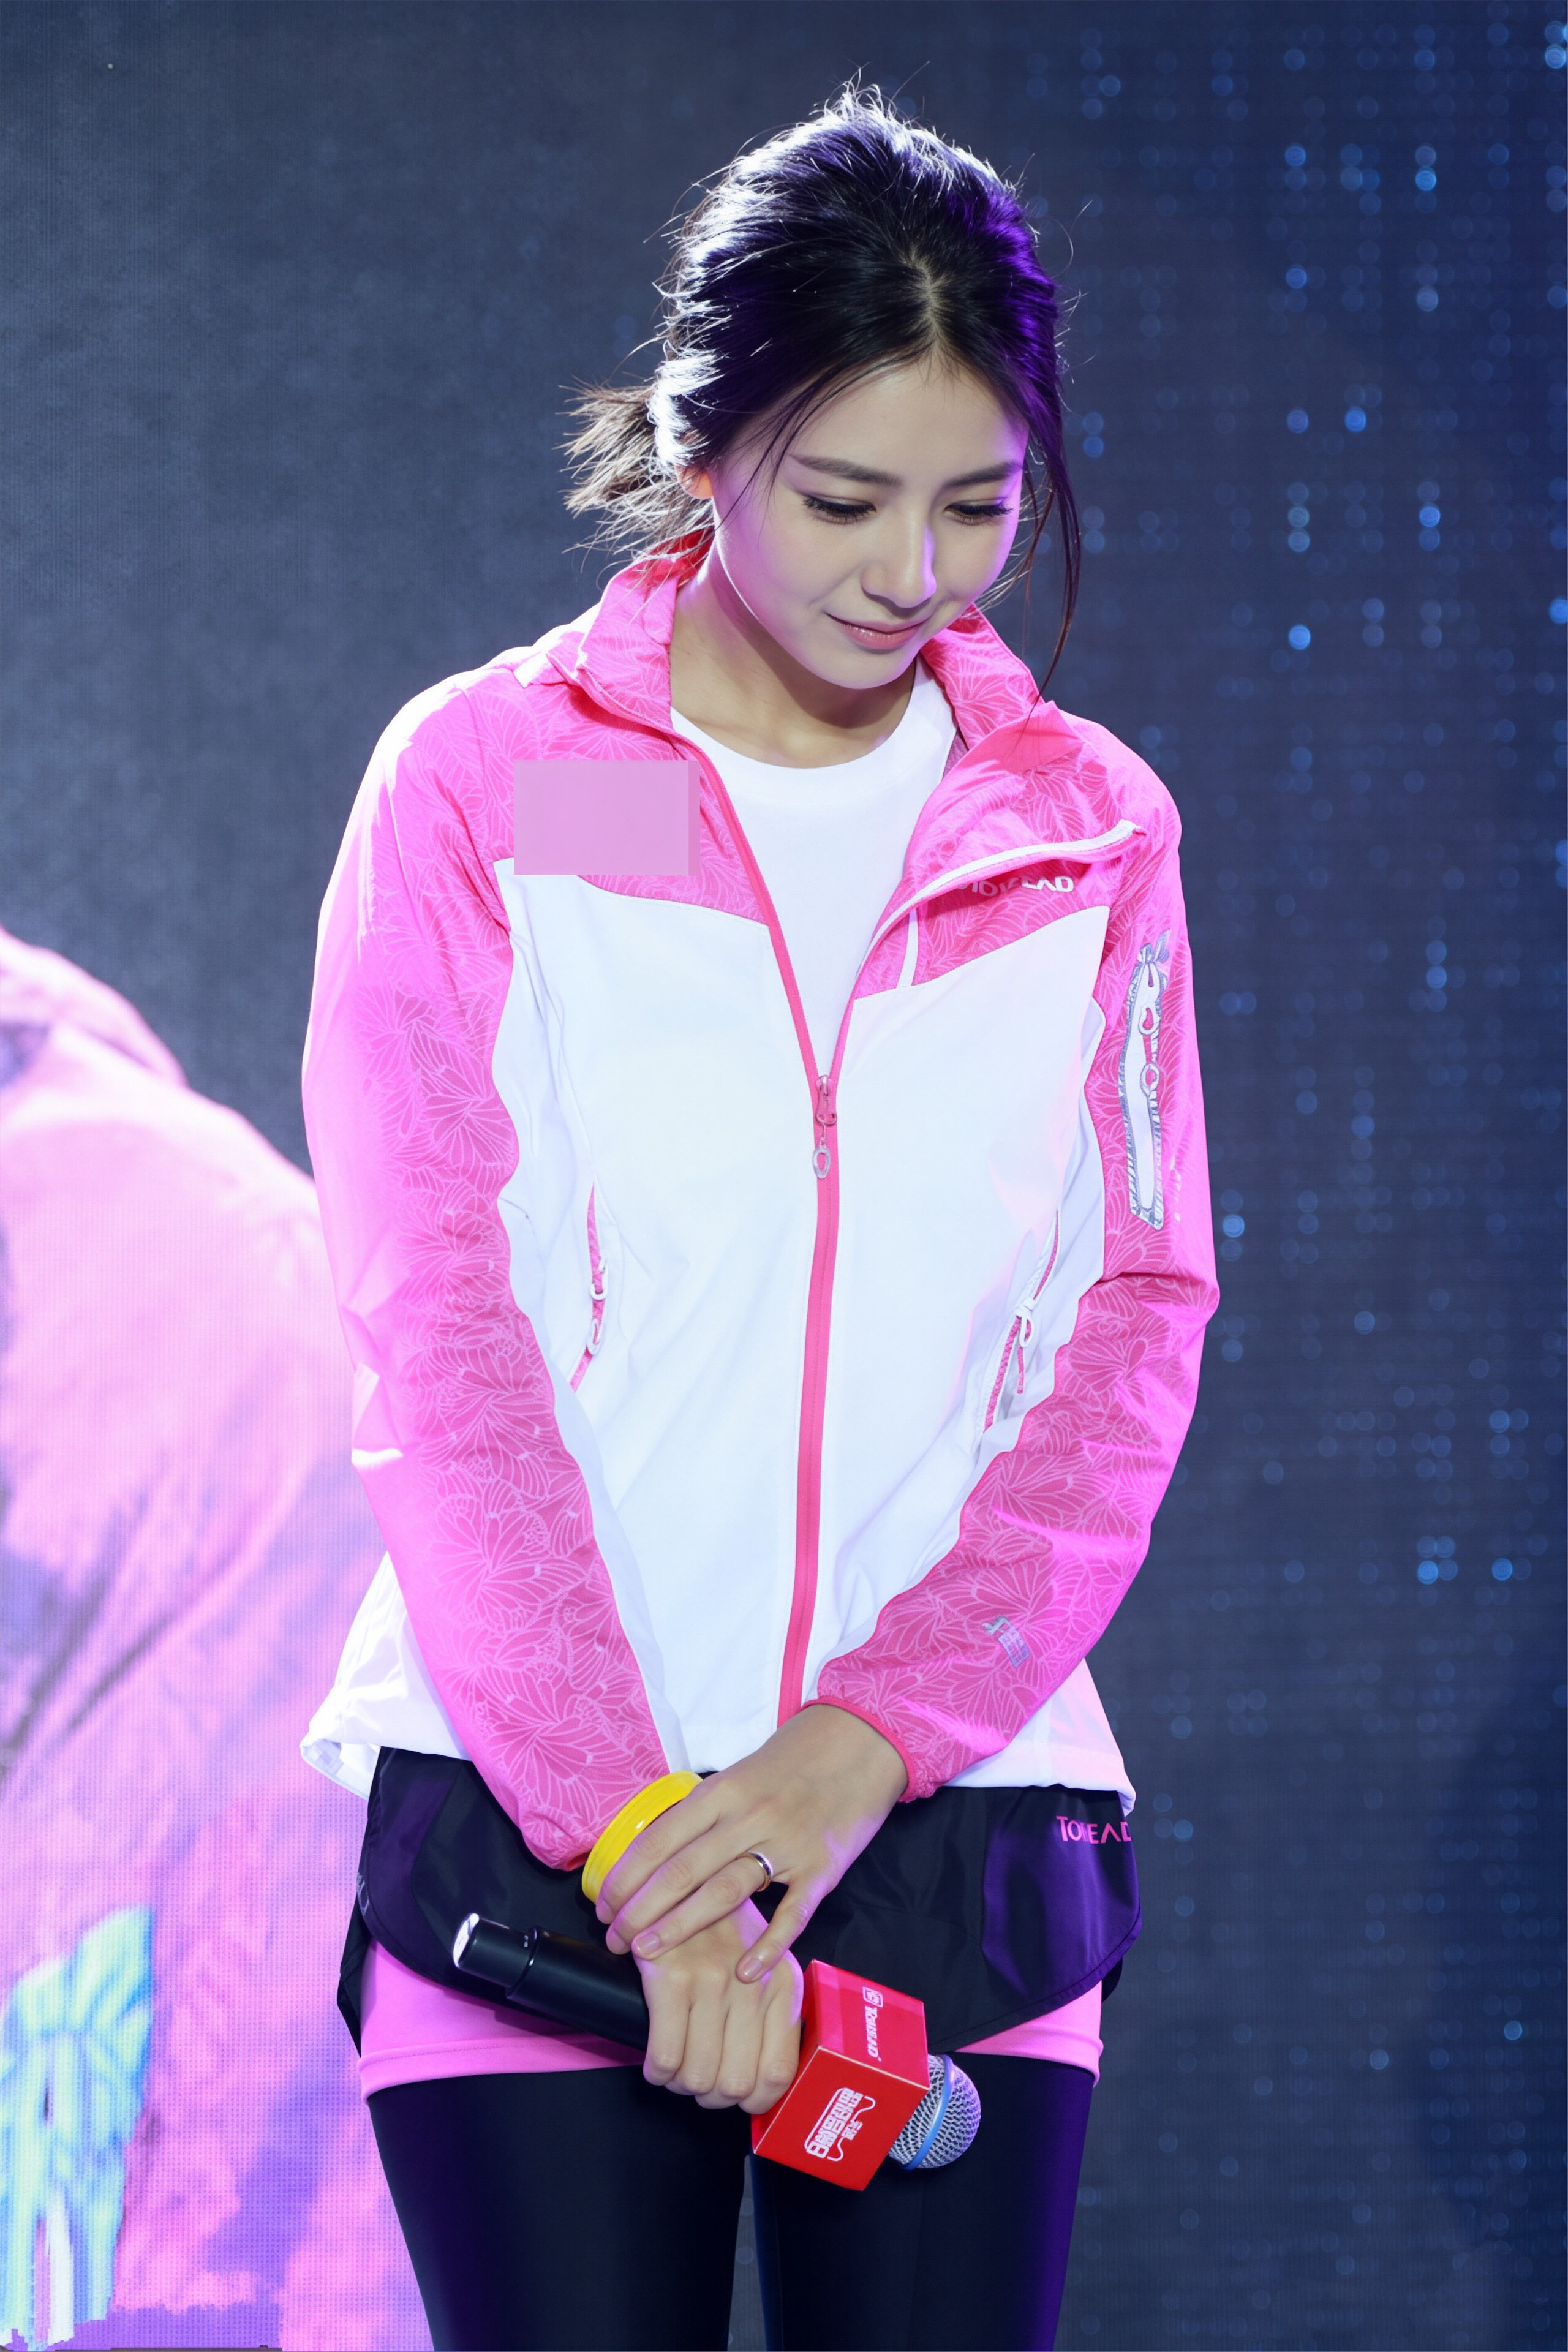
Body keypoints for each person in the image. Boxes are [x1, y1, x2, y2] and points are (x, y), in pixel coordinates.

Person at [301, 88, 1217, 2352]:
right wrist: (640, 1834)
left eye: (980, 504)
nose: (915, 572)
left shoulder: (1087, 834)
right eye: (842, 498)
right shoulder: (493, 785)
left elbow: (1131, 1320)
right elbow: (439, 1321)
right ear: (704, 443)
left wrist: (860, 1744)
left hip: (950, 1821)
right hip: (539, 1826)